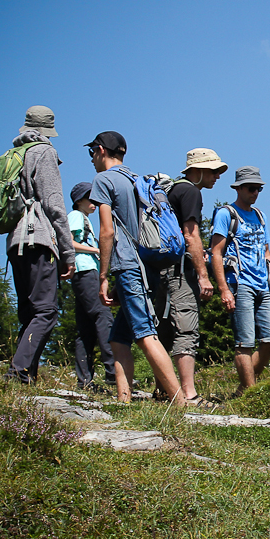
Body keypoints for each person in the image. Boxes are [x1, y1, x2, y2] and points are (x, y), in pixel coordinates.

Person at [0, 105, 75, 384]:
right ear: (49, 131)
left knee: (31, 312)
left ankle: (25, 376)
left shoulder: (9, 157)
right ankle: (17, 374)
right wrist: (68, 252)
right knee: (46, 311)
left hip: (14, 244)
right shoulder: (44, 153)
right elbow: (55, 205)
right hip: (39, 240)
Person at [86, 130, 187, 405]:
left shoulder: (103, 180)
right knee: (119, 338)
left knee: (145, 335)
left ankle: (179, 403)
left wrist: (103, 276)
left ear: (100, 150)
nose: (92, 158)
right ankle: (124, 399)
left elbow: (106, 232)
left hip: (129, 268)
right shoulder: (136, 180)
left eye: (91, 152)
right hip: (149, 266)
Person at [152, 148, 228, 402]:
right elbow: (191, 234)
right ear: (199, 170)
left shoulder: (170, 190)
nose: (217, 176)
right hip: (179, 270)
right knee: (186, 328)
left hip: (158, 267)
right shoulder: (191, 192)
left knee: (162, 328)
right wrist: (203, 276)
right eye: (214, 170)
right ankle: (188, 393)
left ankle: (164, 389)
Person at [211, 166, 270, 395]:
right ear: (239, 188)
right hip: (239, 283)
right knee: (244, 342)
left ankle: (244, 390)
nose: (256, 193)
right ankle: (251, 395)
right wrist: (223, 289)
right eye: (252, 188)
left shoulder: (260, 215)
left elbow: (266, 252)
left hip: (262, 284)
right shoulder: (226, 214)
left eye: (259, 188)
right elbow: (216, 252)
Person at [68, 181, 115, 391]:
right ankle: (114, 372)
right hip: (86, 271)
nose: (94, 202)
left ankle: (84, 380)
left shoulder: (84, 218)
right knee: (103, 316)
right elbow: (68, 242)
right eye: (90, 198)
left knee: (85, 328)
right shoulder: (77, 216)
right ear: (79, 201)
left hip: (82, 273)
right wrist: (97, 251)